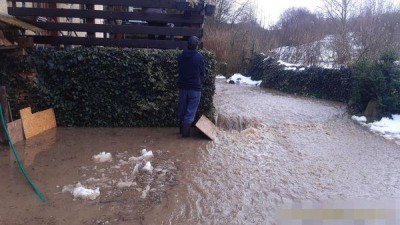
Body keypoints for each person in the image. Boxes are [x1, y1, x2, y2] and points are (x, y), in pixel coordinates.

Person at [177, 36, 205, 138]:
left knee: (182, 110)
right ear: (196, 46)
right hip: (195, 89)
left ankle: (181, 132)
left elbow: (180, 68)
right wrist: (201, 83)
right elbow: (202, 73)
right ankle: (185, 138)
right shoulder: (199, 57)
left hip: (183, 87)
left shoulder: (181, 56)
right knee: (190, 113)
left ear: (188, 45)